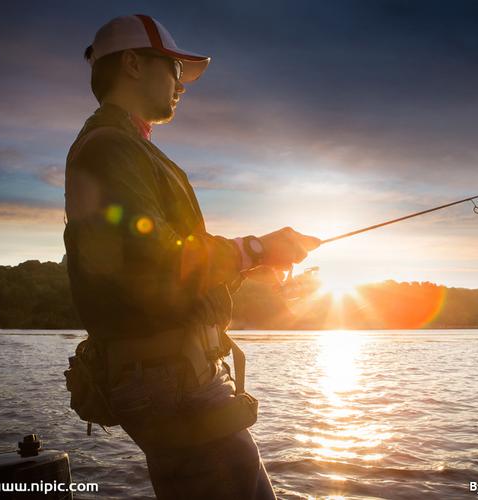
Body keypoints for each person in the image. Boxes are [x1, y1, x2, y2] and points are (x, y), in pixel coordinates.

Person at [63, 14, 320, 499]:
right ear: (134, 64)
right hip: (169, 381)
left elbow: (160, 275)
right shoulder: (110, 148)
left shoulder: (126, 147)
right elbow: (150, 257)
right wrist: (255, 248)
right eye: (174, 70)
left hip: (172, 375)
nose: (182, 85)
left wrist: (250, 264)